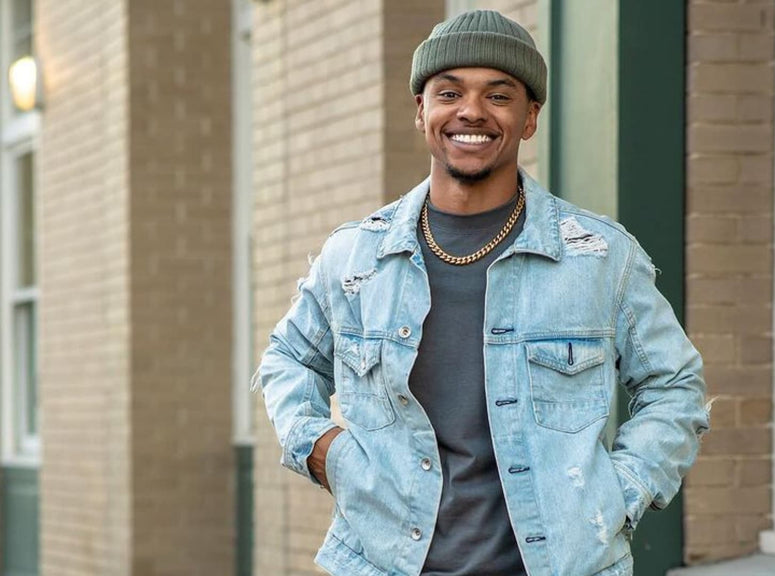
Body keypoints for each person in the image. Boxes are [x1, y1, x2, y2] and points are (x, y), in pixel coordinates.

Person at [255, 9, 710, 576]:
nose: (471, 111)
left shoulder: (598, 257)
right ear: (422, 111)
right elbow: (287, 359)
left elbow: (676, 386)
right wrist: (323, 449)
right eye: (449, 93)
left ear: (529, 118)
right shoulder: (355, 258)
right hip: (382, 564)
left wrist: (618, 496)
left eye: (499, 96)